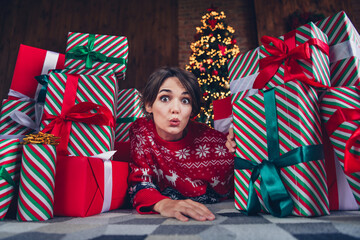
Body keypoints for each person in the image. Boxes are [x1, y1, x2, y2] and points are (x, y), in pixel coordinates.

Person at [128, 67, 234, 222]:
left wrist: (240, 141)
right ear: (148, 104)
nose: (175, 109)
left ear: (191, 111)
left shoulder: (212, 142)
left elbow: (245, 167)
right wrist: (163, 204)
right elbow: (139, 183)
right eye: (165, 98)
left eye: (185, 101)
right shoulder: (142, 131)